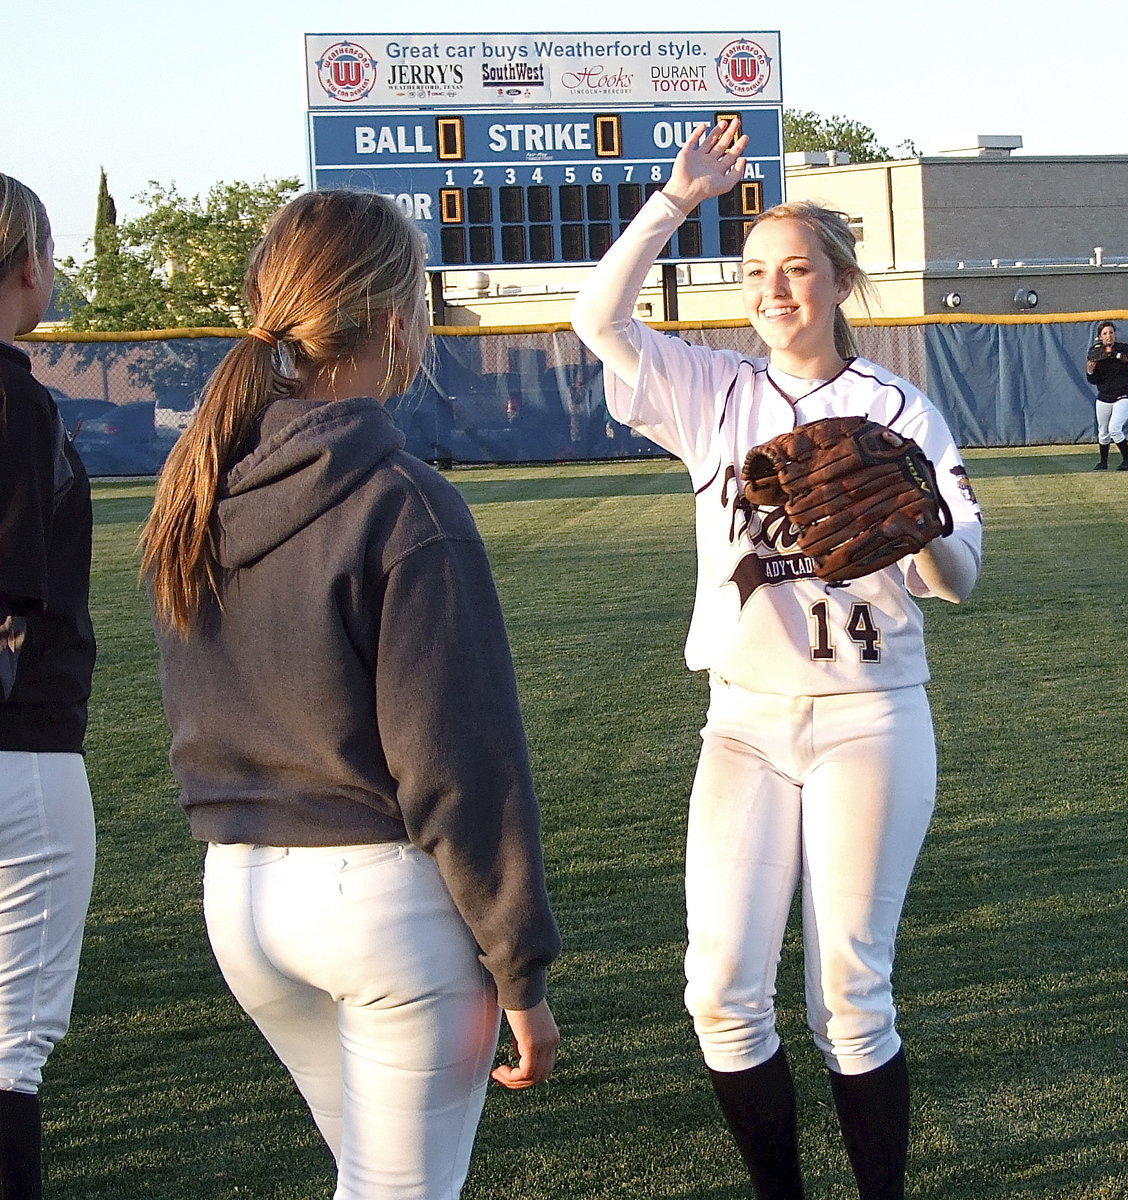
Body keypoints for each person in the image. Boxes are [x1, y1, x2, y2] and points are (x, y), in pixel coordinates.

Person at [572, 122, 983, 1200]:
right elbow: (595, 317)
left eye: (796, 268)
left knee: (848, 993)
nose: (773, 288)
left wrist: (914, 527)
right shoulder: (710, 393)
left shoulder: (898, 410)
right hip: (744, 720)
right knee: (718, 990)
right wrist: (671, 204)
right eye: (755, 271)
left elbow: (963, 579)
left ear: (841, 281)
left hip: (870, 716)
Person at [140, 189, 561, 1200]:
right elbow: (462, 765)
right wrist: (522, 972)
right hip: (377, 907)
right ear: (388, 317)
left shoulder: (199, 485)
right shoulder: (404, 501)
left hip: (240, 903)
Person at [0, 174, 97, 1199]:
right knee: (7, 1058)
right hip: (19, 756)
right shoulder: (13, 402)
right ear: (30, 263)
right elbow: (13, 600)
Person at [1086, 320, 1128, 470]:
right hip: (1104, 396)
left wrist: (1116, 355)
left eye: (1111, 332)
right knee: (1103, 432)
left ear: (1115, 335)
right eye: (1105, 333)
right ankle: (1103, 462)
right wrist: (1090, 371)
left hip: (1123, 395)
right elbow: (1093, 379)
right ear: (1100, 337)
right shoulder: (1096, 353)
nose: (1109, 336)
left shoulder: (1122, 348)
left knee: (1114, 428)